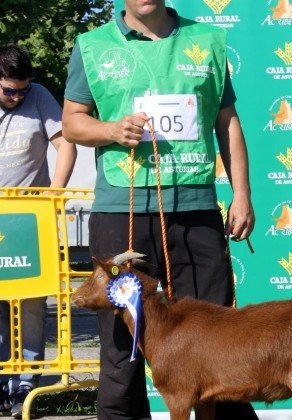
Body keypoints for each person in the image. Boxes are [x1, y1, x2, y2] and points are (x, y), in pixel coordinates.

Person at [62, 1, 255, 419]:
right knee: (121, 350)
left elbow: (227, 122)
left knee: (218, 342)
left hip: (196, 208)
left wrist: (242, 194)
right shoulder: (92, 45)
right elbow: (73, 122)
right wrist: (111, 129)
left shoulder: (206, 40)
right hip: (122, 210)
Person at [0, 45, 76, 418]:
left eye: (24, 89)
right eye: (10, 91)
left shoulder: (39, 97)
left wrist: (56, 192)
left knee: (33, 302)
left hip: (31, 218)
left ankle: (27, 384)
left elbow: (65, 142)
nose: (18, 97)